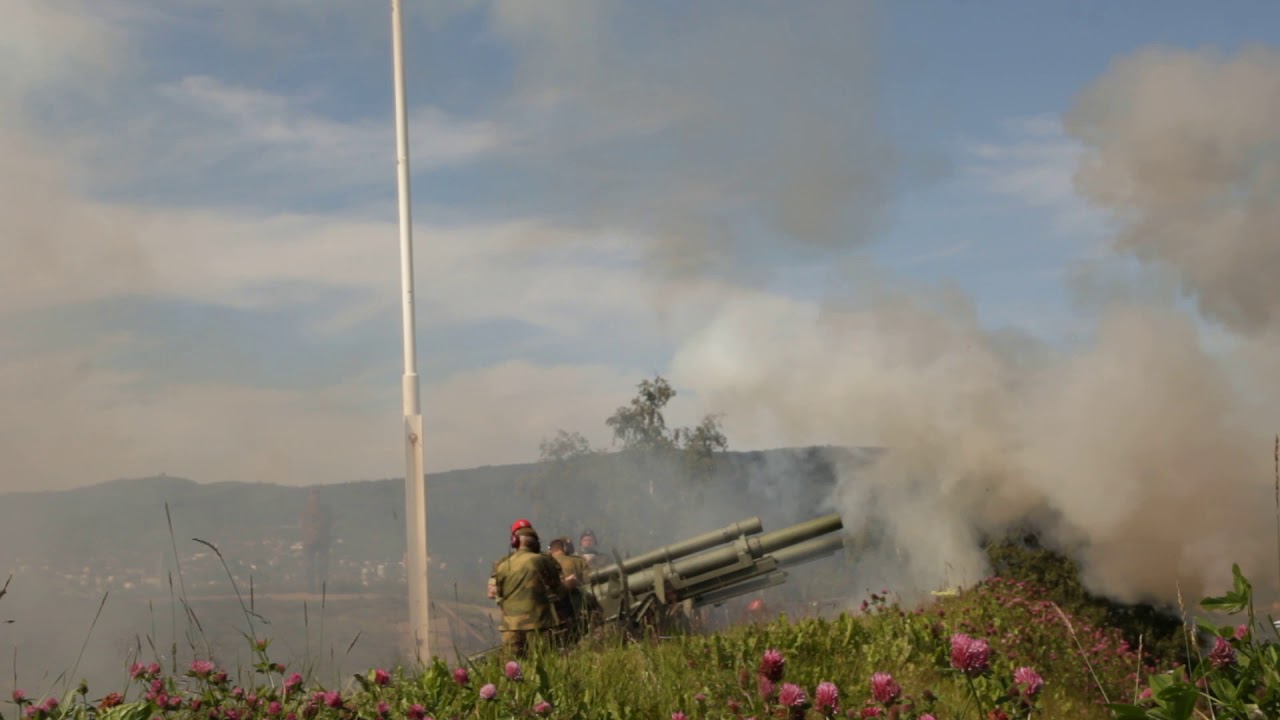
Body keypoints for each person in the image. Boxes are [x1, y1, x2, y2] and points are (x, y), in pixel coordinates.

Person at [488, 521, 564, 657]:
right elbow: (558, 588)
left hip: (510, 626)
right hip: (538, 624)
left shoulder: (503, 565)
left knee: (514, 669)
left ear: (514, 541)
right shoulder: (543, 560)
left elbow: (494, 593)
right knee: (543, 665)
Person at [548, 537, 592, 642]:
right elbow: (589, 583)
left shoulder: (542, 564)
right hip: (576, 609)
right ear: (564, 548)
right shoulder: (577, 561)